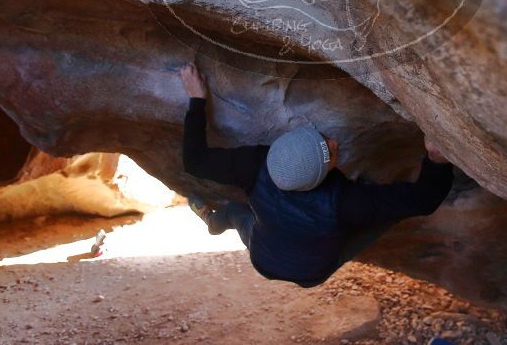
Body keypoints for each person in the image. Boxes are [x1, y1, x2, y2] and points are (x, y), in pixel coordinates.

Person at [180, 63, 454, 287]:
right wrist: (436, 159)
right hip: (312, 272)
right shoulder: (346, 202)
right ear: (320, 177)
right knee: (383, 215)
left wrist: (196, 99)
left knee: (236, 212)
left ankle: (213, 222)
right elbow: (424, 200)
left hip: (263, 254)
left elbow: (195, 162)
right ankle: (215, 222)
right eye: (329, 151)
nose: (333, 142)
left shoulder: (254, 164)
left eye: (321, 139)